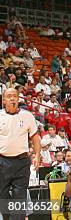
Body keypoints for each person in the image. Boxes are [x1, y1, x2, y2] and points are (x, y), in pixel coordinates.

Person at [0, 88, 41, 220]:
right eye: (9, 96)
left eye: (14, 96)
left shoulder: (28, 116)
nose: (12, 98)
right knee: (2, 195)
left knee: (20, 196)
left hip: (21, 162)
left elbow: (35, 137)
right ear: (4, 100)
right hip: (2, 162)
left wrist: (37, 155)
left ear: (18, 99)